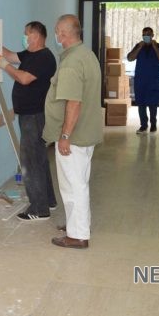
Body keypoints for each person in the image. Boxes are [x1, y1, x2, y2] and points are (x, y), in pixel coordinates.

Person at [43, 14, 102, 249]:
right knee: (79, 182)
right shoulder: (86, 55)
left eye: (57, 31)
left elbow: (74, 102)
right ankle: (77, 225)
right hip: (86, 132)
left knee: (72, 186)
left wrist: (65, 136)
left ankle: (77, 236)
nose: (56, 35)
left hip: (74, 137)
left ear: (63, 33)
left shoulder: (71, 63)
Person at [0, 21, 57, 221]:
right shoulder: (30, 54)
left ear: (36, 36)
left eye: (26, 34)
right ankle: (48, 201)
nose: (24, 37)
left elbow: (24, 78)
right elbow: (11, 55)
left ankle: (38, 209)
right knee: (39, 159)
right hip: (29, 115)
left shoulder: (44, 57)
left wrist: (3, 64)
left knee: (30, 162)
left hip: (34, 116)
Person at [126, 27, 159, 133]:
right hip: (140, 81)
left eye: (148, 34)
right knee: (141, 104)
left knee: (153, 104)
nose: (146, 36)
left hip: (153, 81)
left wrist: (154, 46)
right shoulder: (139, 46)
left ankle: (153, 124)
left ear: (152, 35)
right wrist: (139, 47)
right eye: (144, 35)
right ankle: (143, 125)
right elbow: (130, 58)